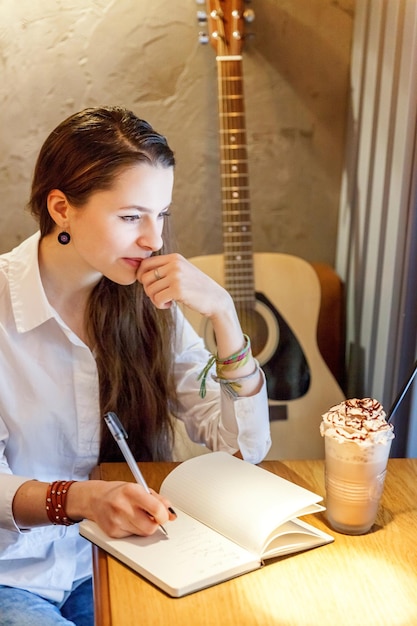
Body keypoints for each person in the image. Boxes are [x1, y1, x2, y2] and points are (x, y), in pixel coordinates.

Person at [0, 106, 271, 625]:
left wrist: (224, 314)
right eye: (131, 217)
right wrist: (81, 500)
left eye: (161, 215)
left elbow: (241, 447)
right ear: (61, 208)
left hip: (119, 557)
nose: (154, 239)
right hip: (14, 571)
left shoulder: (147, 301)